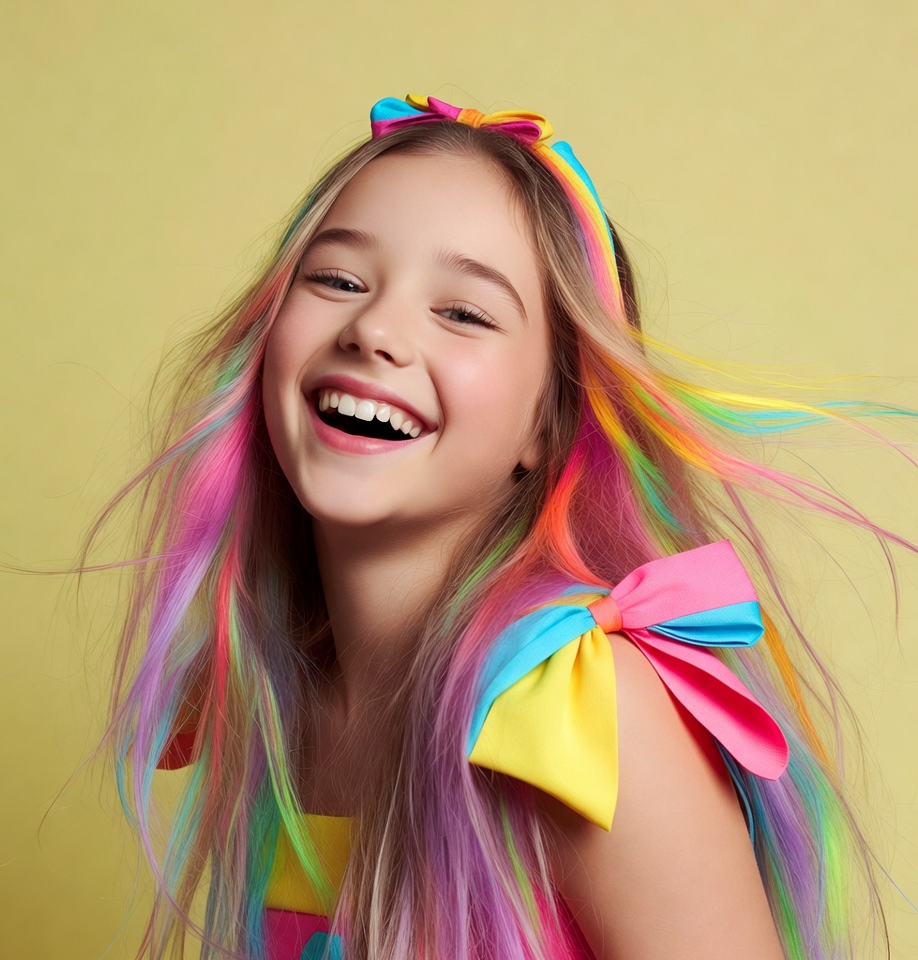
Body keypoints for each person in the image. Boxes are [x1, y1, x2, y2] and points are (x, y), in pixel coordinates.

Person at [96, 94, 909, 959]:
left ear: (544, 427)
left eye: (464, 313)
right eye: (337, 280)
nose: (375, 330)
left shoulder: (577, 709)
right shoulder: (279, 695)